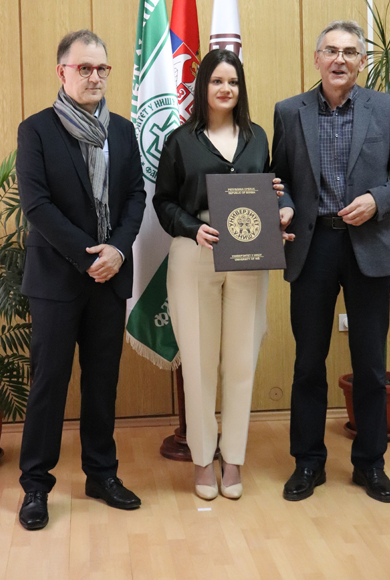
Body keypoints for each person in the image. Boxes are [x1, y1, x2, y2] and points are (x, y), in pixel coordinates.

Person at [272, 21, 390, 504]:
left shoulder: (386, 109)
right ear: (317, 58)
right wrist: (283, 205)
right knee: (308, 363)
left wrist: (378, 200)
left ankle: (370, 464)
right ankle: (308, 462)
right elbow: (278, 179)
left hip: (367, 247)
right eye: (331, 51)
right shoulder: (288, 112)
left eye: (350, 52)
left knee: (371, 364)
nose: (340, 59)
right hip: (311, 247)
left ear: (362, 61)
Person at [16, 29, 146, 530]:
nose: (95, 76)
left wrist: (118, 249)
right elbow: (37, 205)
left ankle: (101, 474)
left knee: (102, 383)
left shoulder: (123, 131)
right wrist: (88, 255)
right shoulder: (37, 130)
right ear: (62, 72)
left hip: (110, 277)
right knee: (49, 384)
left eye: (101, 68)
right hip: (57, 279)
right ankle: (35, 485)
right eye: (84, 68)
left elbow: (135, 197)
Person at [154, 49, 290, 500]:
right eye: (217, 81)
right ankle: (201, 461)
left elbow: (271, 187)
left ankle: (232, 460)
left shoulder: (257, 137)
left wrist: (279, 207)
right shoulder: (180, 141)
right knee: (197, 363)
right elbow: (163, 202)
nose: (225, 89)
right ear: (203, 87)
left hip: (248, 254)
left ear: (241, 88)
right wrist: (192, 227)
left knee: (241, 361)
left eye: (233, 81)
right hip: (195, 252)